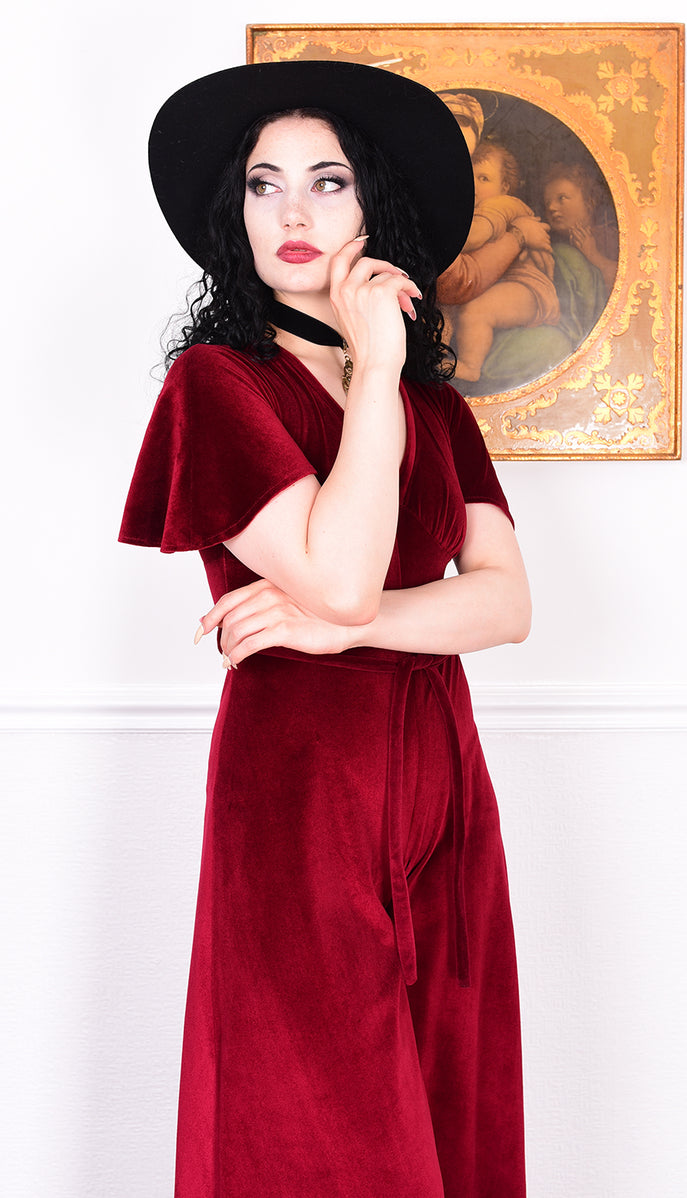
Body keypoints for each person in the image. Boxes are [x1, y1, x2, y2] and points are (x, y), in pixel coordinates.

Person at [119, 61, 530, 1197]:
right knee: (313, 1134)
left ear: (373, 208)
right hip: (297, 797)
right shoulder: (217, 386)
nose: (291, 213)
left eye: (325, 182)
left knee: (452, 1113)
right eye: (262, 186)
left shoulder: (437, 412)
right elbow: (342, 574)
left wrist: (341, 633)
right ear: (233, 214)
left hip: (445, 789)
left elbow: (505, 601)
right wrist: (378, 374)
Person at [452, 140, 560, 382]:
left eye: (484, 179)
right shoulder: (475, 209)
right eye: (469, 176)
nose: (474, 185)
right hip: (505, 285)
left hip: (527, 288)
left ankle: (470, 366)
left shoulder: (500, 205)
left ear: (506, 186)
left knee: (476, 310)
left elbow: (473, 237)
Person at [542, 162, 619, 295]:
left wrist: (593, 255)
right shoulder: (550, 245)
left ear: (588, 201)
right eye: (547, 202)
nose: (551, 207)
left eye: (562, 198)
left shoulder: (610, 238)